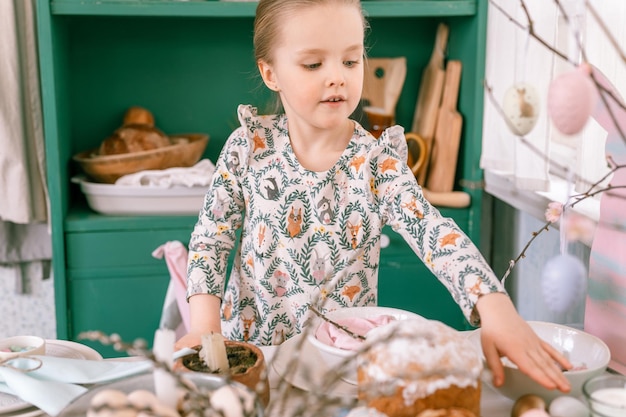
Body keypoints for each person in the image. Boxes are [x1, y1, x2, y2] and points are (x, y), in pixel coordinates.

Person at [176, 0, 572, 393]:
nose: (338, 77)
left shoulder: (376, 163)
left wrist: (493, 303)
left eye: (351, 61)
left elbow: (433, 231)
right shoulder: (249, 147)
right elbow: (211, 240)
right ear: (271, 72)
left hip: (342, 372)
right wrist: (204, 329)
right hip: (251, 361)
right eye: (314, 64)